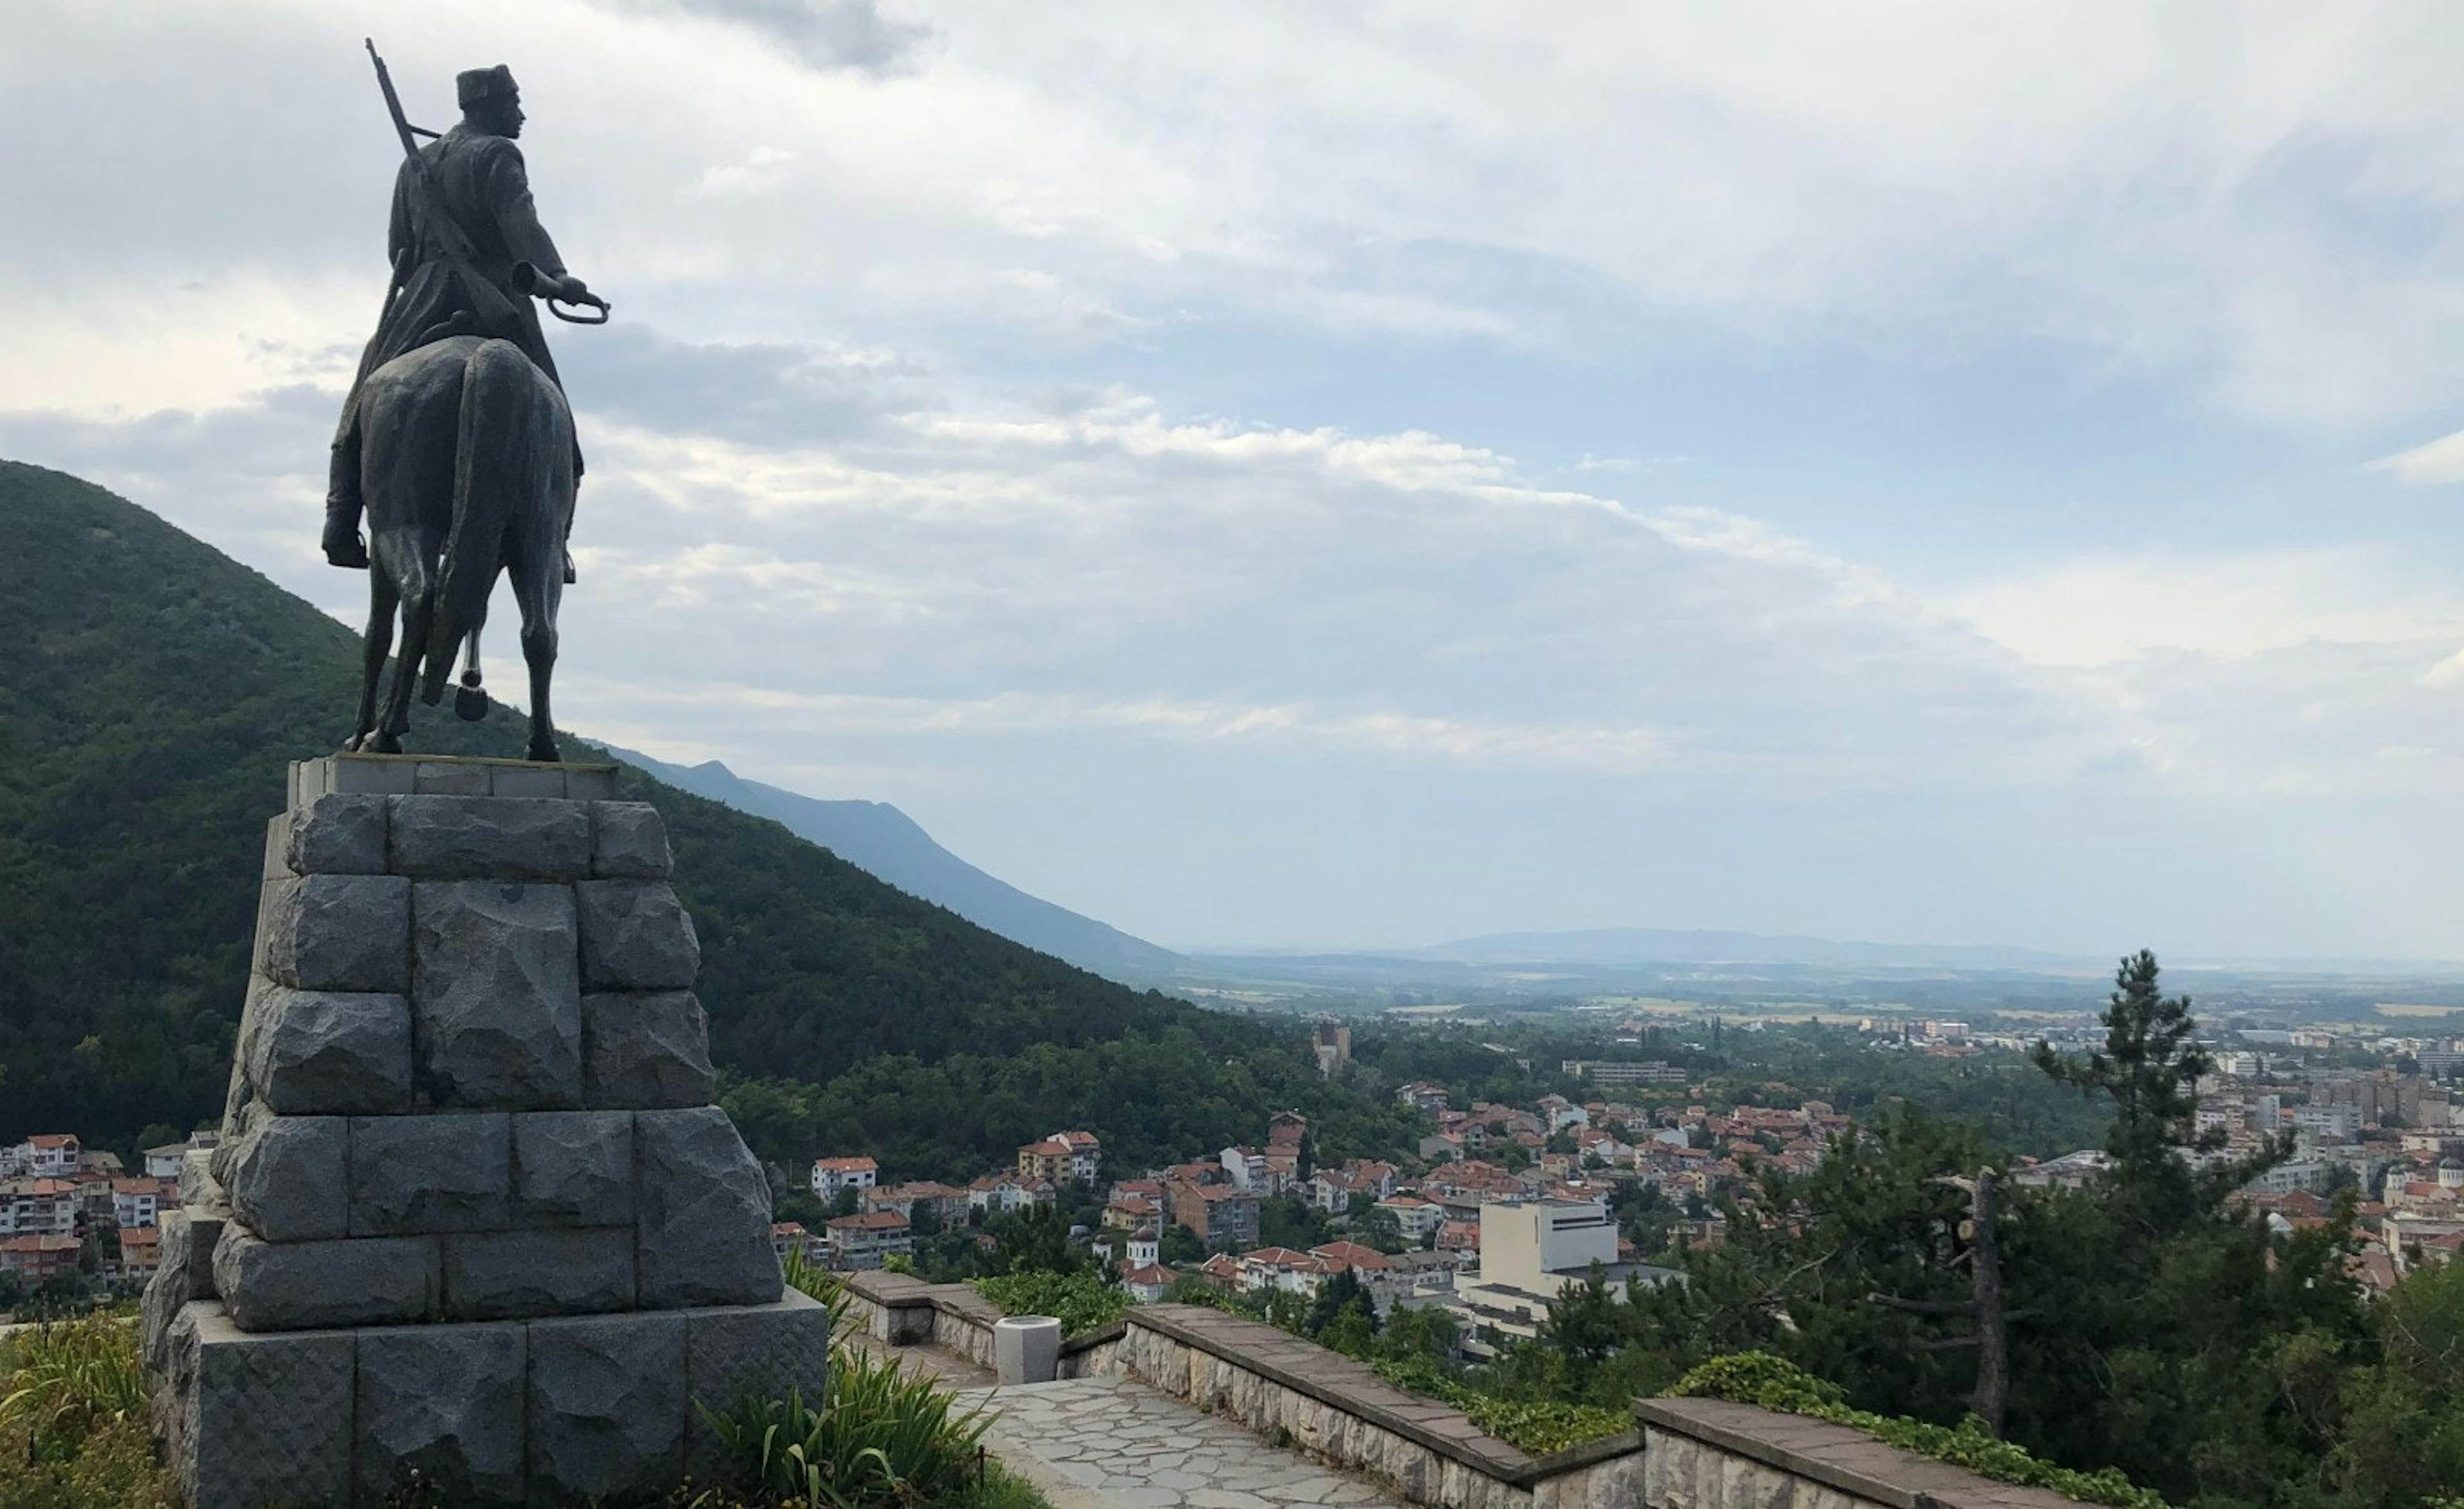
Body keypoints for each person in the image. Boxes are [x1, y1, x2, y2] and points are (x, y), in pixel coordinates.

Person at [325, 64, 594, 575]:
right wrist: (559, 277)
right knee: (561, 428)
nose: (521, 114)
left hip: (421, 298)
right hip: (496, 295)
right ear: (488, 105)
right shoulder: (497, 153)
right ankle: (553, 542)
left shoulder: (416, 165)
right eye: (514, 103)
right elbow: (522, 222)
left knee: (362, 402)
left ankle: (340, 520)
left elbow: (397, 250)